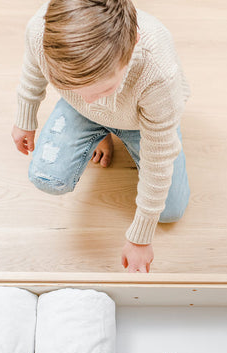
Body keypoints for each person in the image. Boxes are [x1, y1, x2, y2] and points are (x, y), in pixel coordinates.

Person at [11, 0, 191, 272]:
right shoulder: (41, 30)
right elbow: (33, 69)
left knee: (170, 211)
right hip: (82, 112)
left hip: (142, 120)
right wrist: (26, 117)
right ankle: (101, 129)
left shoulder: (159, 73)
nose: (89, 101)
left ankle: (151, 125)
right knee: (46, 178)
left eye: (104, 89)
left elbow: (158, 160)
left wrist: (140, 238)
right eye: (70, 85)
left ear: (133, 48)